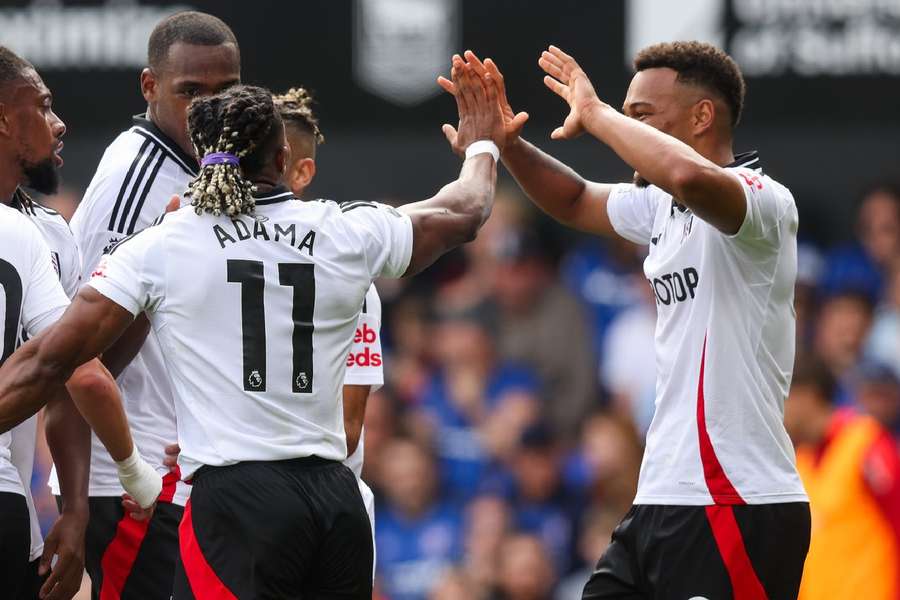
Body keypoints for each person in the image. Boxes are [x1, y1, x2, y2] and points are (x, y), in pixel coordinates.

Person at [0, 54, 505, 597]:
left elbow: (49, 361)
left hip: (236, 504)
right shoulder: (347, 230)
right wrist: (482, 145)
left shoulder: (166, 245)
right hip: (335, 501)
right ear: (283, 154)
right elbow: (465, 211)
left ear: (201, 155)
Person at [441, 42, 809, 598]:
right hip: (664, 495)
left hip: (736, 499)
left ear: (701, 116)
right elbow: (572, 200)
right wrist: (506, 142)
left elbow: (690, 177)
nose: (623, 130)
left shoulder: (762, 202)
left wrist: (597, 114)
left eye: (641, 115)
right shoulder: (660, 207)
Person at [58, 11, 240, 599]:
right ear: (150, 87)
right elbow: (83, 355)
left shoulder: (211, 168)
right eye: (190, 92)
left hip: (190, 469)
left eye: (224, 92)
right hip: (137, 477)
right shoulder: (135, 179)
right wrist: (130, 471)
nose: (209, 109)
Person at [0, 45, 161, 599]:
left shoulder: (50, 231)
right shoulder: (25, 237)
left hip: (15, 499)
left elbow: (69, 383)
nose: (58, 123)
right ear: (3, 119)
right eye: (42, 108)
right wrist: (136, 472)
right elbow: (82, 372)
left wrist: (73, 507)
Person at [274, 86, 384, 567]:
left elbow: (348, 428)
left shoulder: (347, 272)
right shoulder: (214, 258)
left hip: (324, 514)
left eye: (265, 163)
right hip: (246, 507)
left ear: (302, 173)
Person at [784, 357, 900, 600]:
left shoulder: (866, 443)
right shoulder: (800, 460)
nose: (778, 410)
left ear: (808, 395)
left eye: (784, 397)